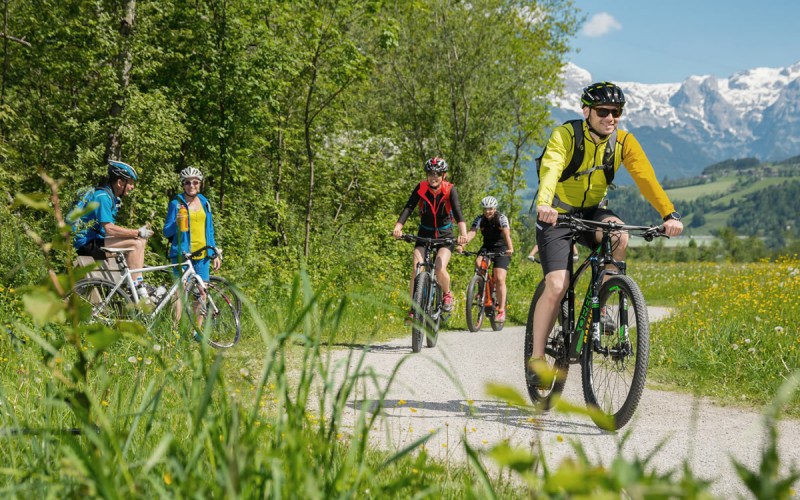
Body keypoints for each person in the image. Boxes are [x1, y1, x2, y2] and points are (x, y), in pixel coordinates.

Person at [530, 81, 684, 381]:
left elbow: (646, 179)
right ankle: (536, 359)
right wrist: (545, 203)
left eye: (616, 112)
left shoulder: (623, 142)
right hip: (557, 214)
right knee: (558, 285)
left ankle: (601, 309)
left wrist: (669, 213)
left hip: (592, 211)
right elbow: (550, 168)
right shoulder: (566, 135)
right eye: (603, 111)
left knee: (619, 234)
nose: (610, 118)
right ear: (586, 110)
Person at [393, 157, 467, 320]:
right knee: (416, 269)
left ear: (444, 175)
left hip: (445, 236)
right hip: (424, 234)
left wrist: (463, 235)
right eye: (430, 173)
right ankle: (414, 308)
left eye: (437, 174)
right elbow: (409, 207)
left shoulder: (450, 190)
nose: (433, 177)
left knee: (440, 268)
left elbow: (458, 212)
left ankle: (447, 294)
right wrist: (399, 227)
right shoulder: (421, 187)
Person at [72, 160, 153, 283]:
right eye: (130, 183)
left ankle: (137, 281)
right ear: (120, 182)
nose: (132, 187)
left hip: (96, 240)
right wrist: (137, 232)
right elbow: (109, 229)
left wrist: (137, 235)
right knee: (135, 244)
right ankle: (137, 286)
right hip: (86, 243)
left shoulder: (110, 197)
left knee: (140, 242)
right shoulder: (103, 197)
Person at [456, 196, 514, 322]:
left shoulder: (501, 218)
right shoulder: (479, 219)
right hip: (487, 248)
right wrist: (462, 245)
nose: (488, 211)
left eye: (490, 209)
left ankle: (501, 310)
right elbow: (472, 233)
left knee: (499, 278)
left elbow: (506, 234)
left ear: (495, 208)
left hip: (502, 249)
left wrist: (510, 248)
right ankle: (482, 288)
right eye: (485, 209)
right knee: (478, 263)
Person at [163, 166, 222, 283]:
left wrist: (214, 252)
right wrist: (177, 224)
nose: (191, 185)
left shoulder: (205, 203)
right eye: (187, 183)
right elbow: (166, 231)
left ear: (200, 184)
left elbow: (209, 230)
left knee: (201, 293)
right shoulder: (175, 204)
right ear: (183, 185)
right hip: (182, 255)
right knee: (180, 292)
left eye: (195, 182)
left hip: (203, 255)